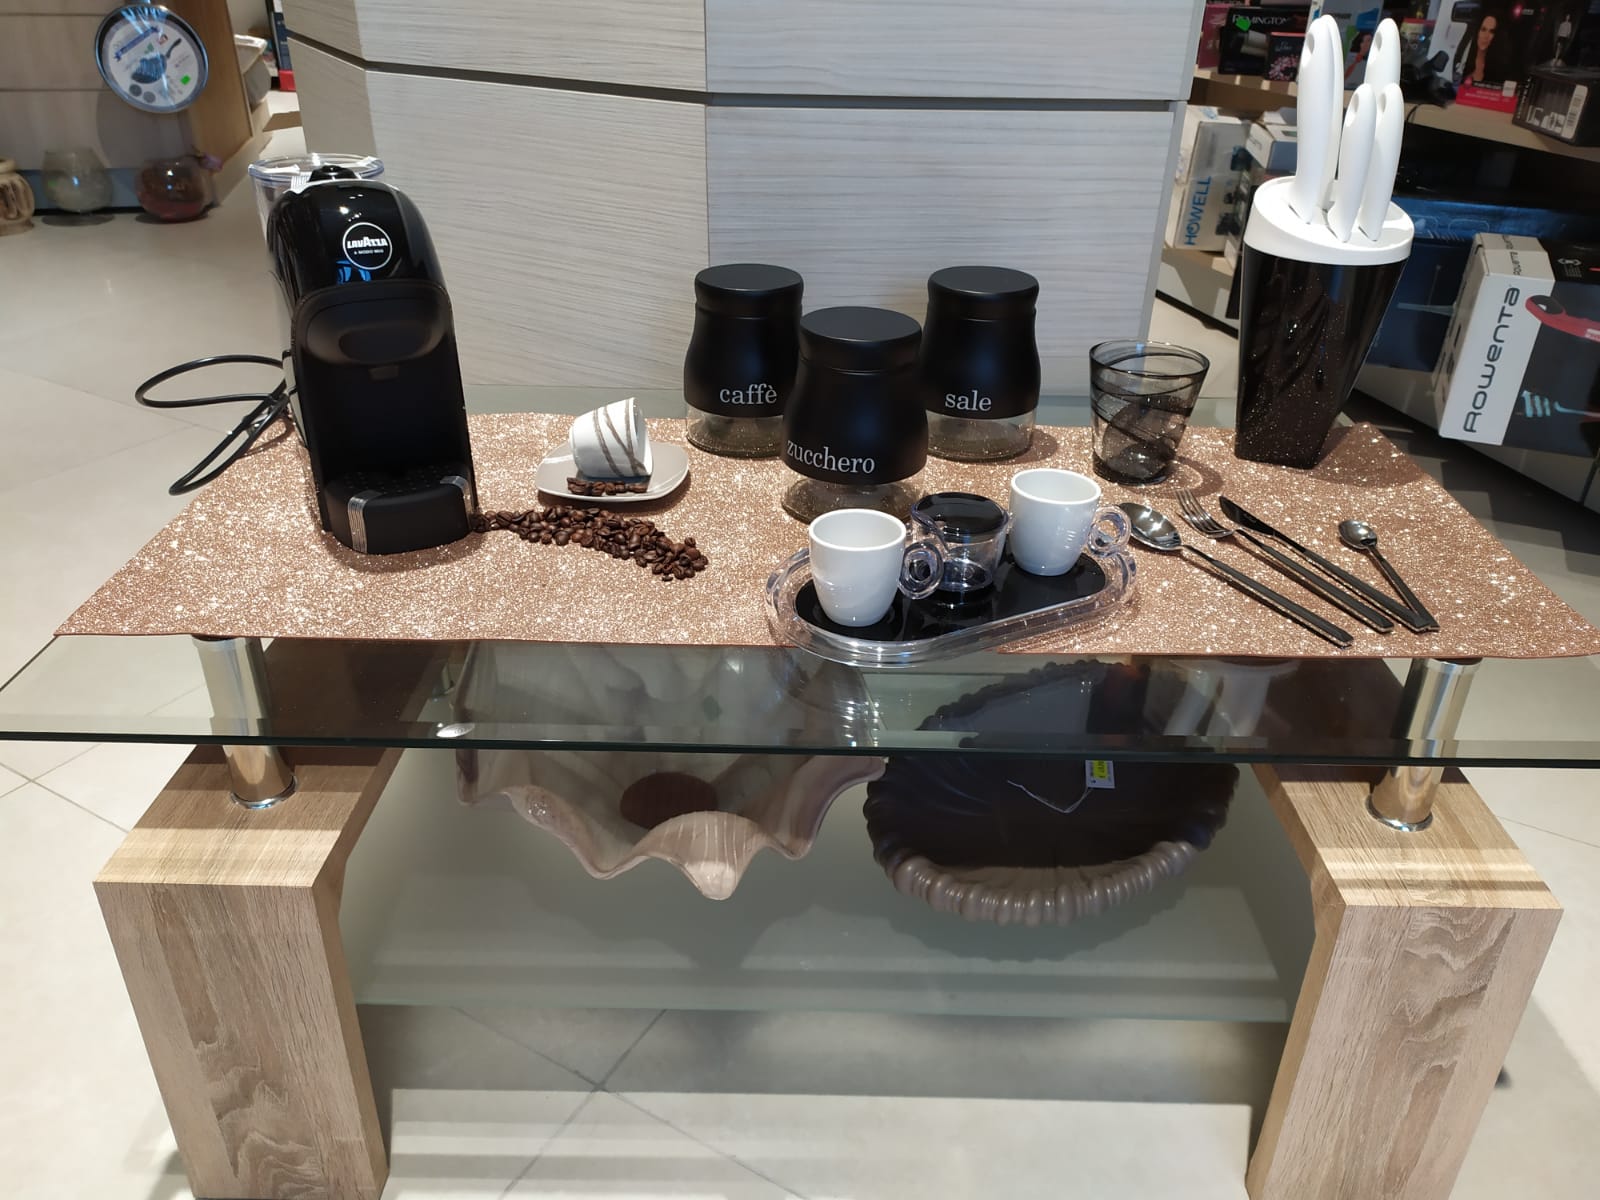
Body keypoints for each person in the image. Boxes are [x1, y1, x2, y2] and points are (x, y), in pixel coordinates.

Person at [1454, 8, 1514, 85]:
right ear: (1478, 31)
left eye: (1491, 31)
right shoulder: (1464, 56)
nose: (1486, 36)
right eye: (1483, 29)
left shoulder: (1498, 68)